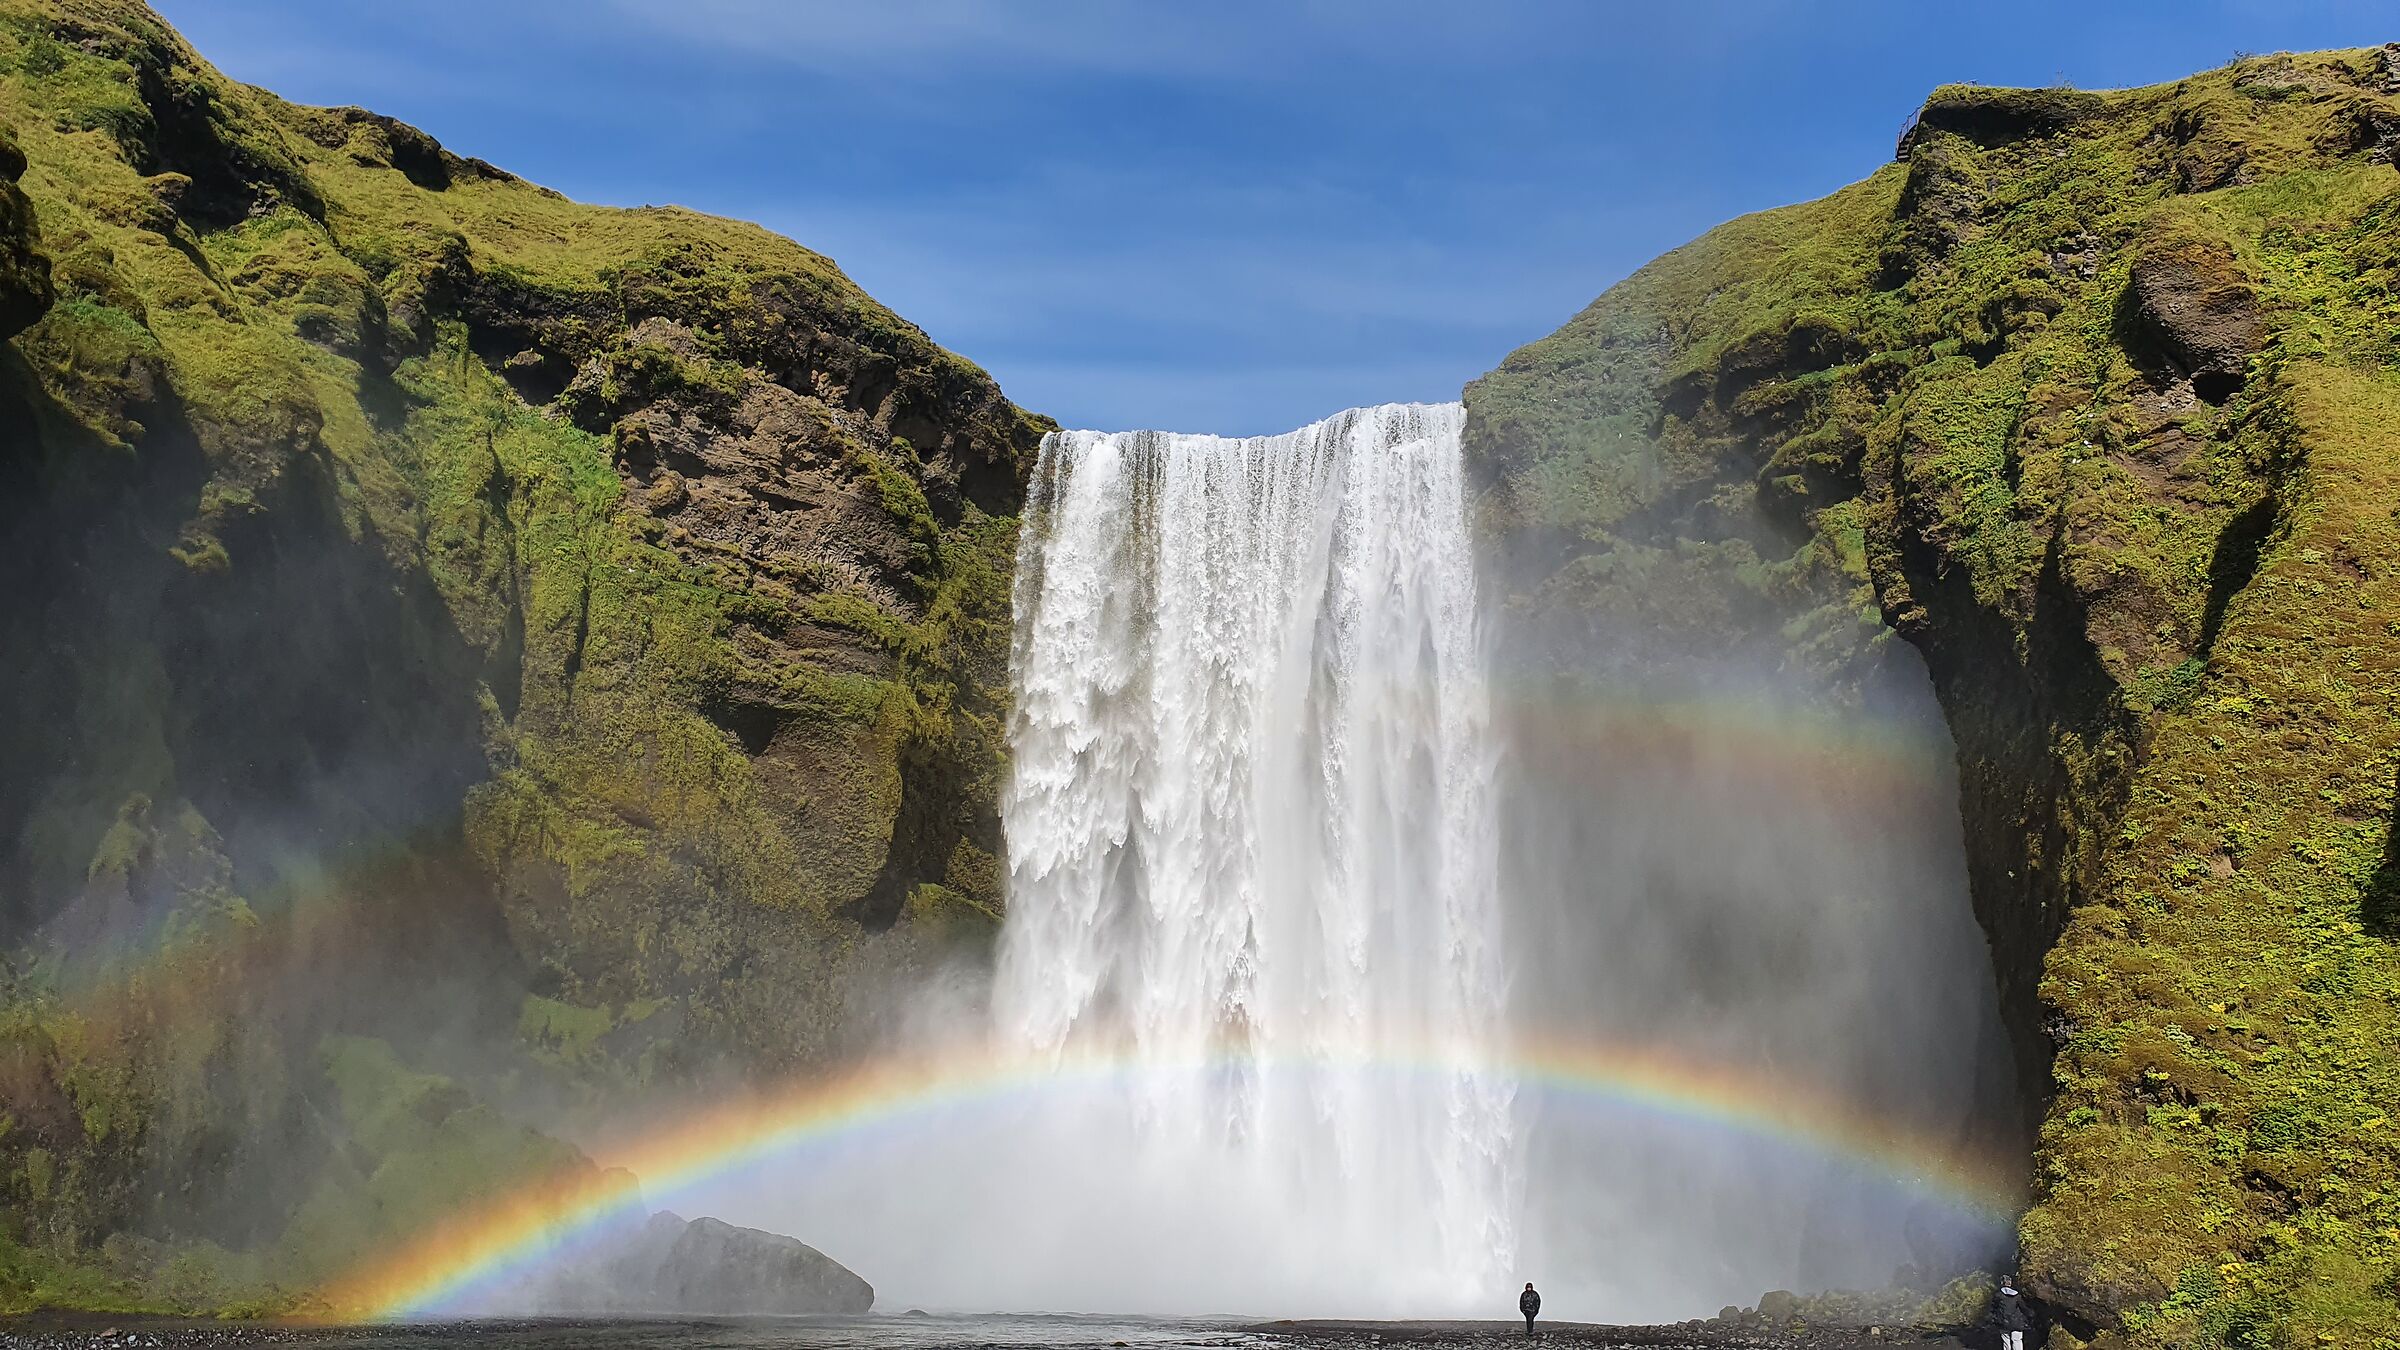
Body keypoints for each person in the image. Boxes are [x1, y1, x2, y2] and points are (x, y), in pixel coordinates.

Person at [1993, 1278, 2032, 1350]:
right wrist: (2031, 1315)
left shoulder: (1998, 1295)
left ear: (2002, 1283)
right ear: (2010, 1283)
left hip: (2003, 1322)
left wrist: (1995, 1319)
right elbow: (2023, 1308)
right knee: (2017, 1341)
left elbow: (1994, 1308)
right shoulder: (2017, 1296)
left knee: (2006, 1342)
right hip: (2017, 1322)